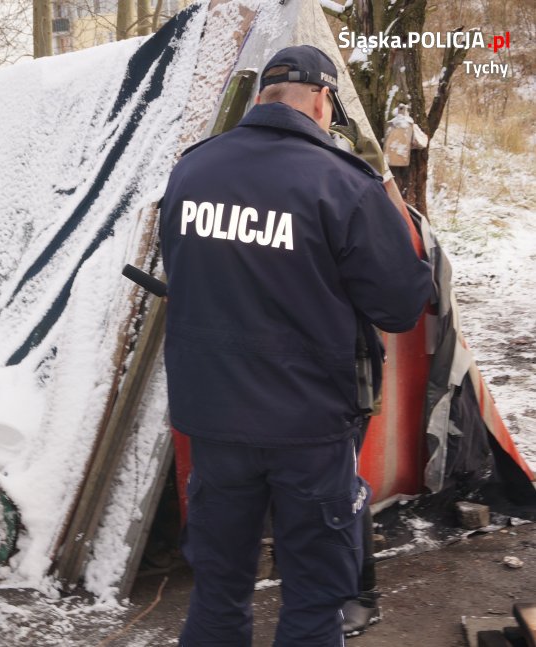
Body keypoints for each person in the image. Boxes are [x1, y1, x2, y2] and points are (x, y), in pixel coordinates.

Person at [159, 45, 433, 646]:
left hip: (214, 420)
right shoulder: (343, 182)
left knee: (217, 591)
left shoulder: (192, 170)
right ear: (321, 99)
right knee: (314, 599)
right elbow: (401, 302)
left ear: (262, 98)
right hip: (309, 426)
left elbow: (182, 271)